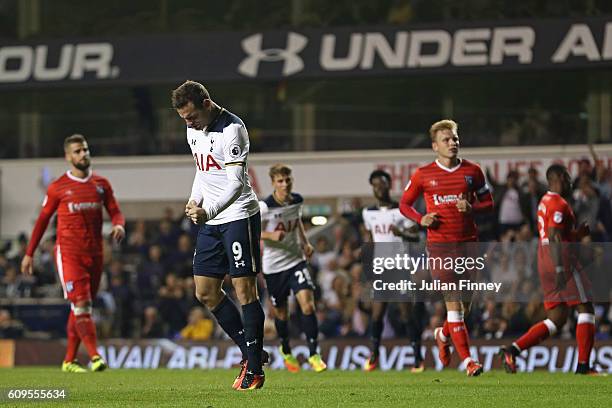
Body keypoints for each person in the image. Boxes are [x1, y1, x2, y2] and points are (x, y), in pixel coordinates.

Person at [172, 80, 266, 391]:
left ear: (207, 104)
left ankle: (254, 368)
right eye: (184, 119)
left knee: (245, 291)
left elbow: (235, 183)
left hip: (238, 215)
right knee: (205, 292)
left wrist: (208, 210)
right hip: (210, 219)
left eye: (191, 117)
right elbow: (202, 169)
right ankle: (251, 351)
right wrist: (193, 199)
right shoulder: (193, 129)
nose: (188, 123)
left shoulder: (232, 130)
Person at [21, 134, 125, 373]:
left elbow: (115, 211)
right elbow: (42, 221)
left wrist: (118, 225)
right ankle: (95, 356)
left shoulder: (101, 184)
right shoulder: (58, 187)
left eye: (85, 150)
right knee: (82, 303)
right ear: (68, 157)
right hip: (69, 254)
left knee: (80, 309)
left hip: (95, 254)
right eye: (77, 151)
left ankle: (69, 360)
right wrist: (29, 253)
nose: (83, 154)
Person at [400, 119, 494, 376]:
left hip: (469, 244)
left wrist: (473, 208)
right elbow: (404, 204)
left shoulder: (473, 172)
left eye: (455, 138)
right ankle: (468, 362)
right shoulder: (423, 175)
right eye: (446, 140)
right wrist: (421, 219)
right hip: (440, 247)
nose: (453, 143)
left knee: (465, 305)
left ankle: (443, 334)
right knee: (454, 303)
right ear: (435, 146)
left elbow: (489, 204)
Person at [499, 164, 598, 375]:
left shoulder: (544, 200)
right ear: (560, 177)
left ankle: (513, 350)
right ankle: (583, 366)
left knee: (557, 318)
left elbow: (556, 234)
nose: (571, 182)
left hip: (544, 260)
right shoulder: (559, 203)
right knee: (586, 307)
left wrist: (577, 235)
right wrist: (561, 268)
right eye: (568, 178)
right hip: (561, 260)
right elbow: (554, 236)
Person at [259, 164, 327, 373]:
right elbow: (251, 231)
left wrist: (305, 243)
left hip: (295, 260)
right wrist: (270, 236)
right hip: (273, 267)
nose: (285, 184)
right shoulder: (264, 207)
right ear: (273, 183)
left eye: (287, 180)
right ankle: (286, 348)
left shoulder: (296, 200)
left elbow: (296, 221)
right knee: (281, 313)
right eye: (280, 181)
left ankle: (314, 353)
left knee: (308, 305)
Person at [361, 170, 423, 372]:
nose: (379, 188)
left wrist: (402, 232)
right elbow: (370, 241)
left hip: (400, 267)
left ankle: (417, 358)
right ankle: (374, 355)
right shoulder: (368, 213)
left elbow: (416, 238)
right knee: (377, 314)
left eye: (383, 184)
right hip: (381, 269)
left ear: (389, 186)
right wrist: (368, 271)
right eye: (375, 185)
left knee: (406, 313)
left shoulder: (402, 210)